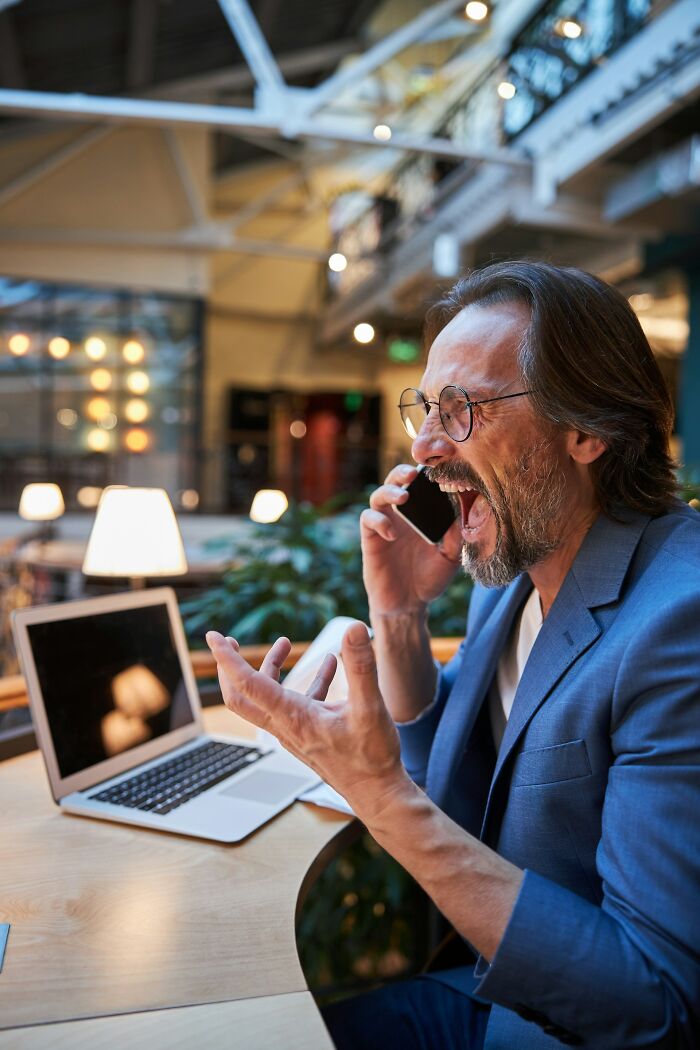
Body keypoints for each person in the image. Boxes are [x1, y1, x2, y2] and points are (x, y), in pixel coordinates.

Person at [206, 261, 700, 1049]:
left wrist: (377, 794)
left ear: (587, 431)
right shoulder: (512, 571)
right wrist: (400, 616)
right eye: (426, 409)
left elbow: (659, 1006)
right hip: (485, 989)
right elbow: (466, 790)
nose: (427, 447)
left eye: (462, 409)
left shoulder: (681, 621)